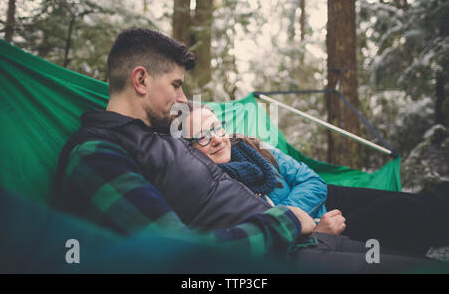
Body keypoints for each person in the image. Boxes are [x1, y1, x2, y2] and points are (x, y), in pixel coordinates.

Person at [54, 28, 447, 273]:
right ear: (140, 79)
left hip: (306, 240)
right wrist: (287, 221)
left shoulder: (157, 138)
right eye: (176, 85)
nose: (183, 98)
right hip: (279, 255)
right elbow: (175, 253)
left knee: (419, 242)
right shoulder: (96, 152)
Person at [183, 103, 449, 257]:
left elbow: (314, 181)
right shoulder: (214, 189)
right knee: (407, 214)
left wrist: (292, 213)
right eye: (203, 136)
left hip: (327, 198)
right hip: (321, 231)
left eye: (217, 128)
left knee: (424, 203)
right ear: (188, 149)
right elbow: (259, 235)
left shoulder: (252, 146)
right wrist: (311, 229)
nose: (217, 138)